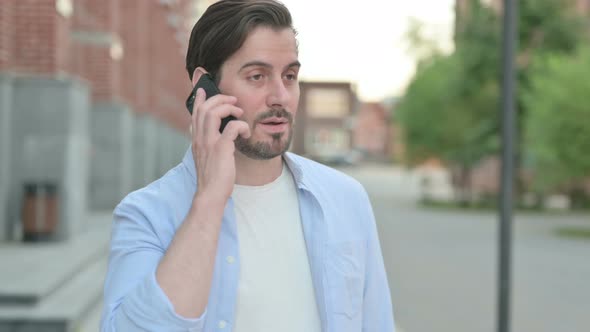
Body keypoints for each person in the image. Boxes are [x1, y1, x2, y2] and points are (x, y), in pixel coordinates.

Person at [100, 1, 394, 331]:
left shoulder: (346, 199)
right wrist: (209, 199)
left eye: (290, 76)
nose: (280, 96)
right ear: (204, 89)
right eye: (257, 76)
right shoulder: (147, 214)